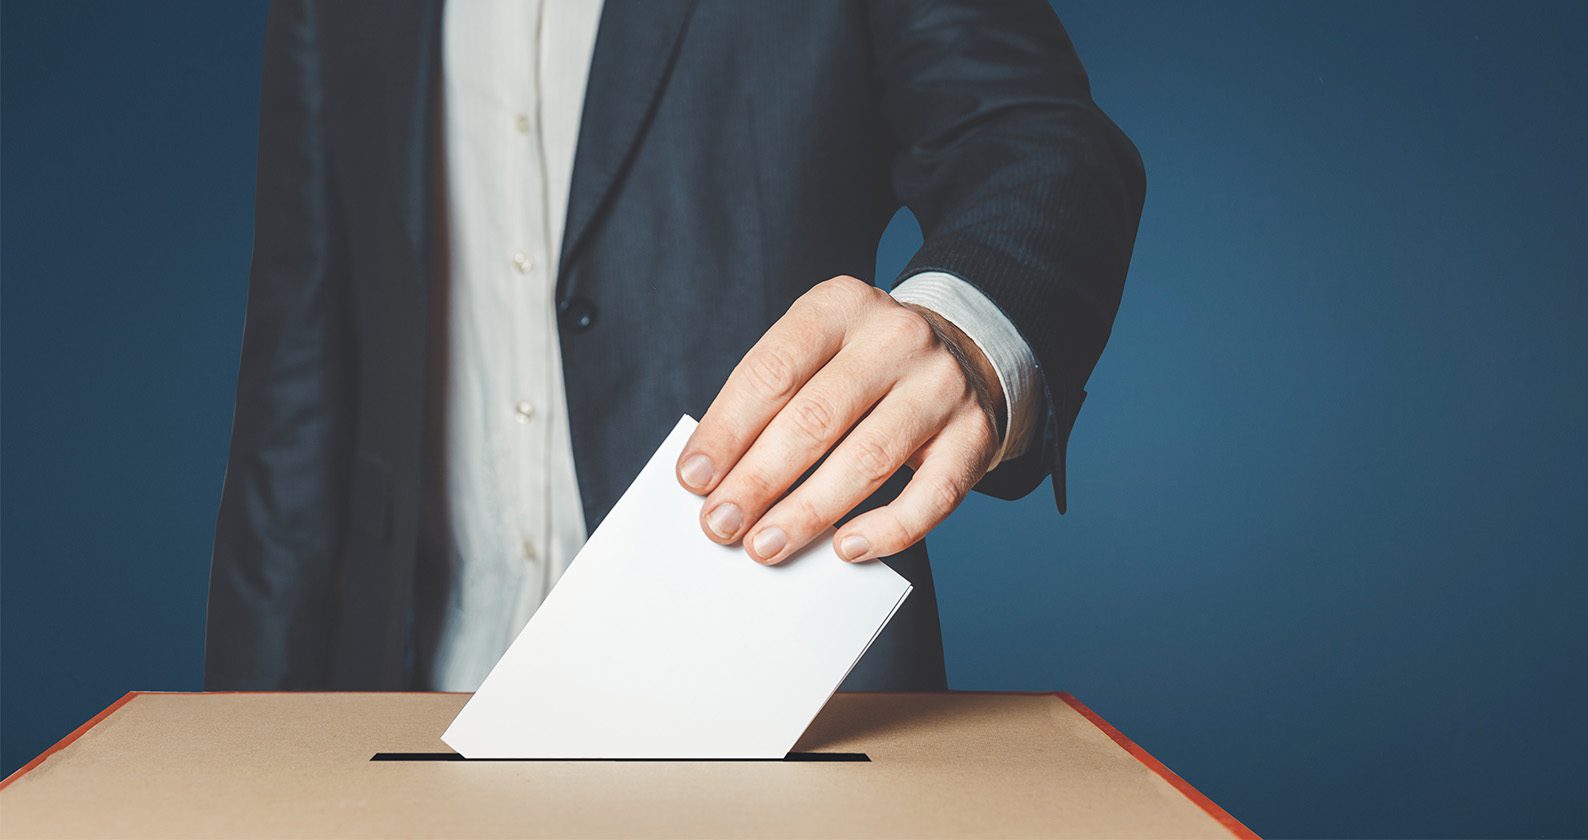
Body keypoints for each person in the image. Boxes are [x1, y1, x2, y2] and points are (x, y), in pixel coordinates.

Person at [205, 0, 1145, 692]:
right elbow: (300, 373)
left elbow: (1035, 136)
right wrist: (243, 757)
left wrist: (968, 327)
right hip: (408, 701)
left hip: (781, 694)